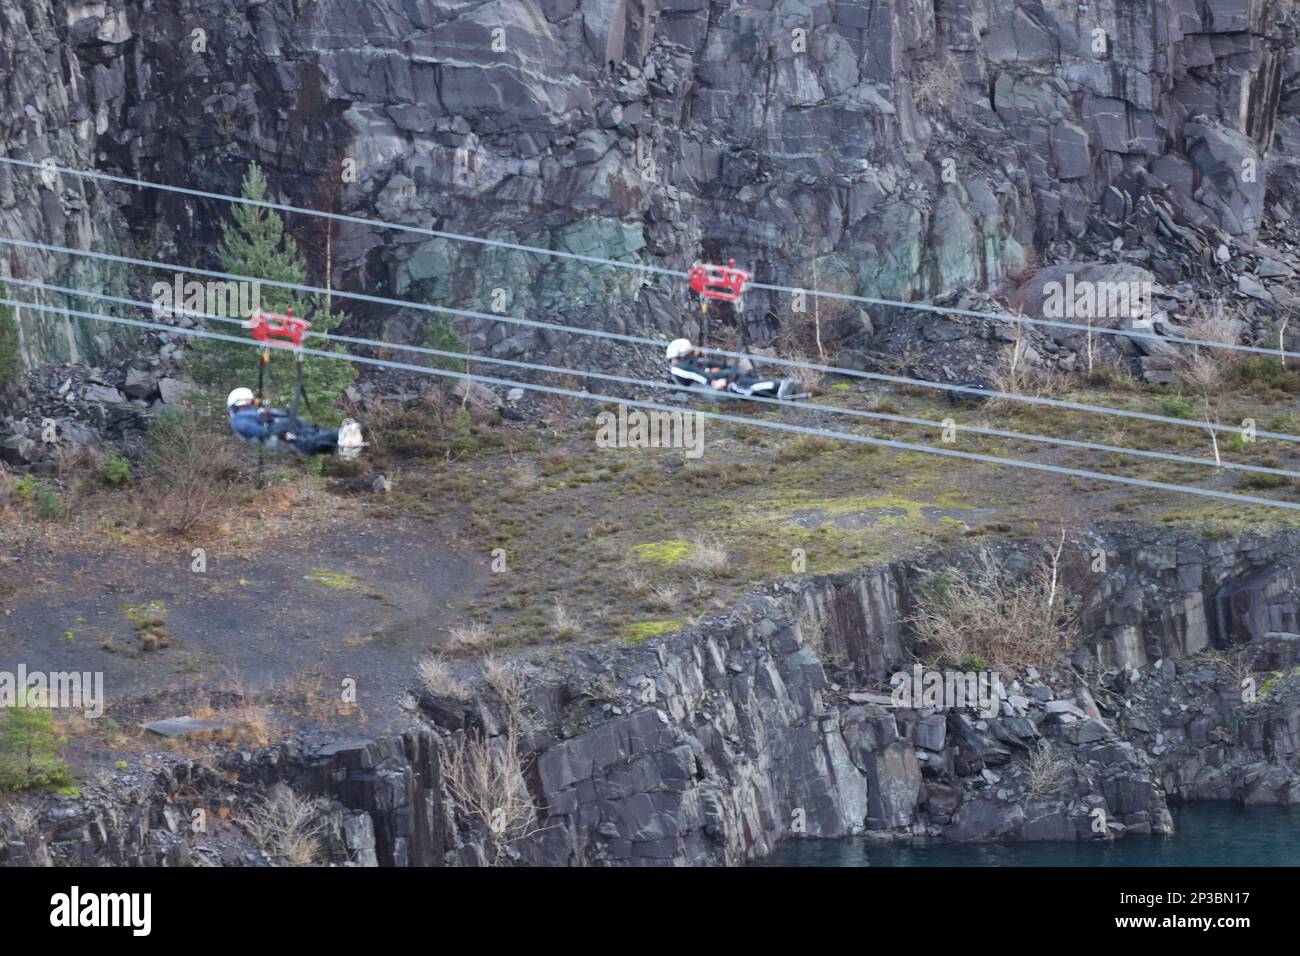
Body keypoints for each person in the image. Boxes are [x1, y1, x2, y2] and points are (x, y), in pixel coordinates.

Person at [226, 387, 363, 457]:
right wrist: (269, 432)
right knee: (307, 443)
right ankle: (340, 438)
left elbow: (275, 414)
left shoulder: (255, 412)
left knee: (311, 433)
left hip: (281, 426)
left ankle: (341, 438)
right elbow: (250, 428)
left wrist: (283, 413)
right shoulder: (239, 419)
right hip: (275, 431)